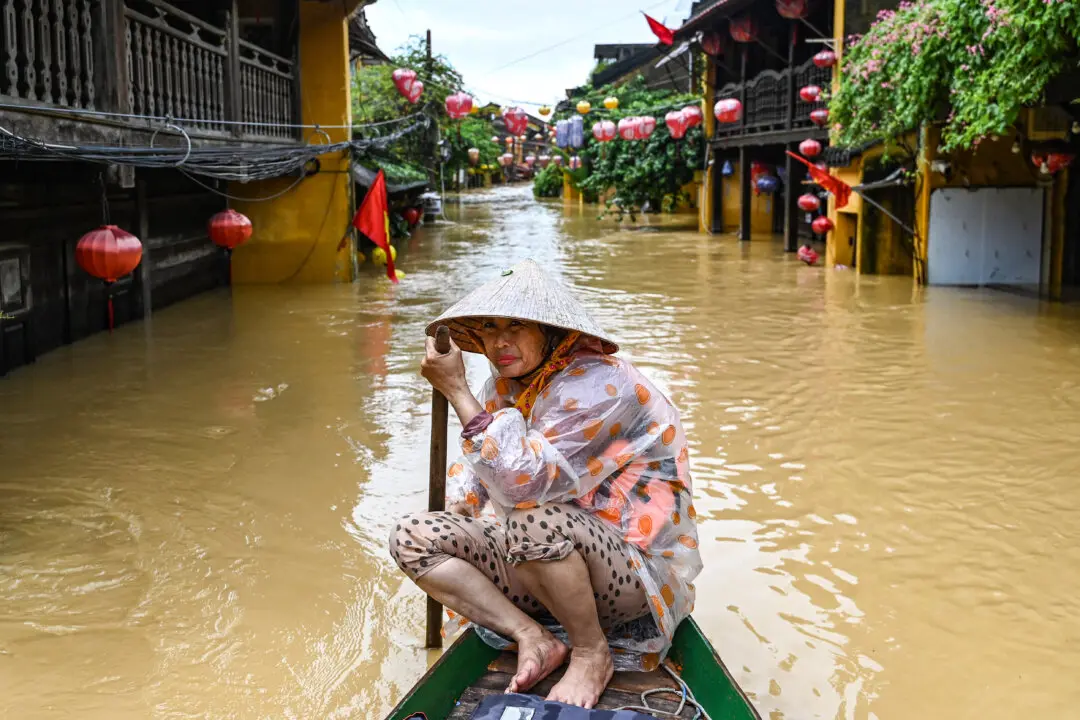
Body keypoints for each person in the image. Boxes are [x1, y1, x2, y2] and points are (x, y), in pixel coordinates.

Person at [388, 259, 702, 709]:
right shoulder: (506, 386)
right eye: (490, 328)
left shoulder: (601, 384)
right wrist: (457, 515)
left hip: (632, 572)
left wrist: (457, 391)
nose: (500, 342)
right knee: (412, 536)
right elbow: (478, 476)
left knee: (530, 519)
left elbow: (522, 484)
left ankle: (591, 652)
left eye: (516, 325)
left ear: (550, 332)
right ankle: (532, 636)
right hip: (546, 554)